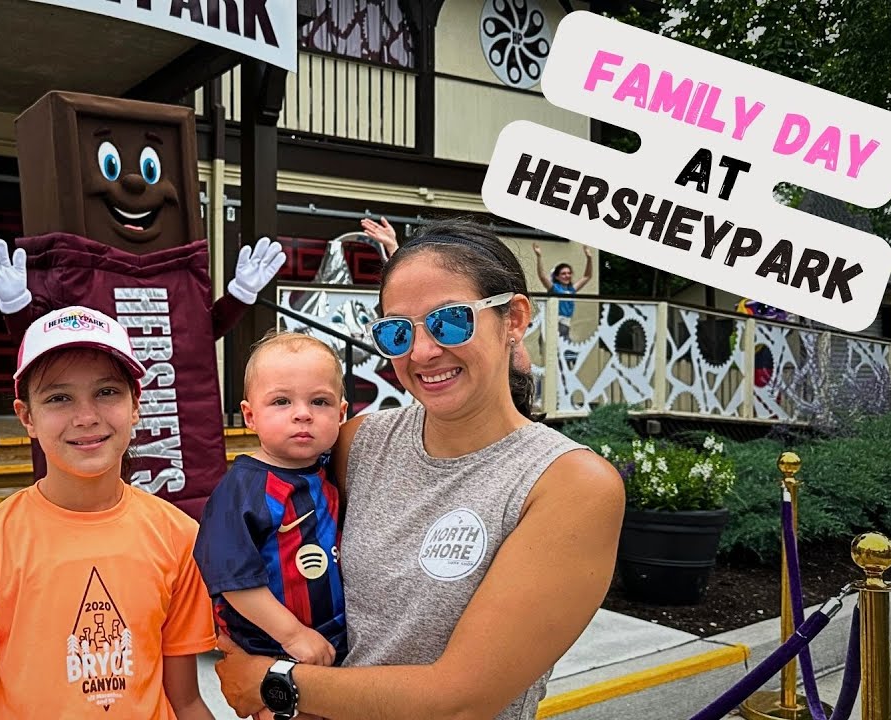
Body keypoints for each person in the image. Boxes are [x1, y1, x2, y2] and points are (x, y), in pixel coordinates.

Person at [212, 219, 625, 720]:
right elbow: (250, 522)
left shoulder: (567, 484)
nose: (423, 351)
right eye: (398, 331)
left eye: (451, 321)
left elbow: (460, 701)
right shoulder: (357, 442)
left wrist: (276, 683)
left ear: (513, 318)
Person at [0, 305, 217, 719]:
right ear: (27, 416)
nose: (86, 417)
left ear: (136, 405)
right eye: (59, 398)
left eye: (106, 392)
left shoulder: (179, 536)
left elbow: (185, 700)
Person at [193, 331, 349, 720]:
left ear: (342, 413)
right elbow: (232, 579)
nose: (303, 413)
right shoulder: (242, 491)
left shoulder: (332, 472)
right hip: (271, 647)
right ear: (250, 415)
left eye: (320, 401)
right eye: (281, 401)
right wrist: (293, 636)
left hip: (335, 643)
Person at [532, 243, 593, 343]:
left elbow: (587, 276)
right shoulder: (555, 289)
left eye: (569, 273)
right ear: (557, 276)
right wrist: (539, 257)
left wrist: (589, 258)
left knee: (565, 352)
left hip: (565, 324)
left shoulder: (572, 289)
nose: (567, 275)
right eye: (563, 273)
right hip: (553, 324)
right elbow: (542, 277)